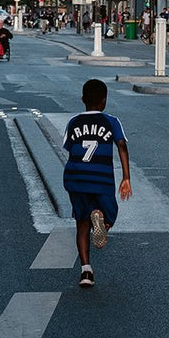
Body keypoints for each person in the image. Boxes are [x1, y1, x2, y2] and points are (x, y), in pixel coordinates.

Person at [62, 78, 131, 288]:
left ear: (83, 99)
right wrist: (126, 177)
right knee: (110, 213)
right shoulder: (111, 121)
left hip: (76, 178)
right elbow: (121, 145)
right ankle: (101, 219)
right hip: (101, 179)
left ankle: (86, 271)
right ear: (104, 101)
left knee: (81, 223)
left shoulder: (73, 122)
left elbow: (68, 147)